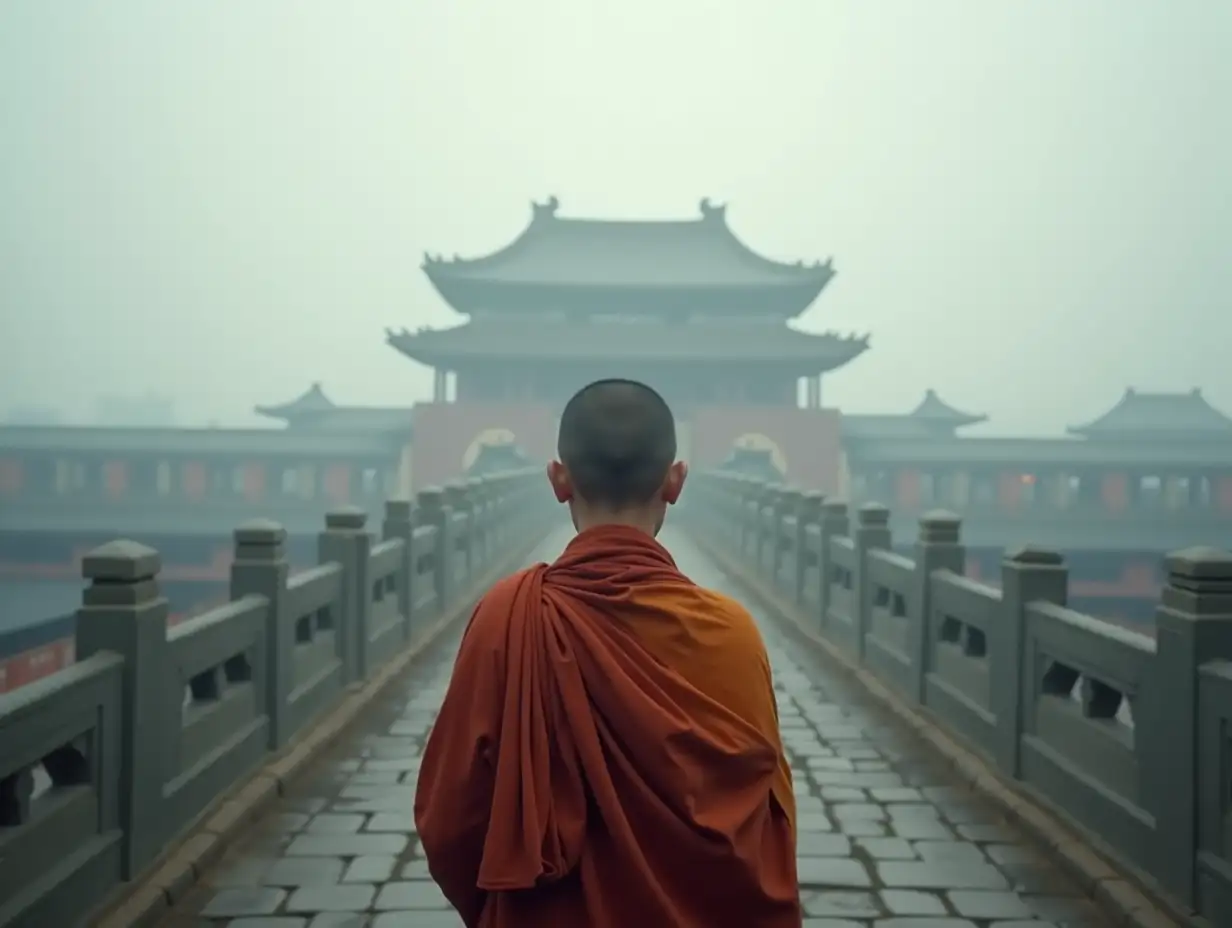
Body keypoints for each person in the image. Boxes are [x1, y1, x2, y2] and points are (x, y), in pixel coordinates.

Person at [415, 379, 801, 927]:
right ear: (675, 481)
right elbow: (766, 820)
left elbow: (449, 819)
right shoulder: (731, 632)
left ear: (558, 479)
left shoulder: (507, 617)